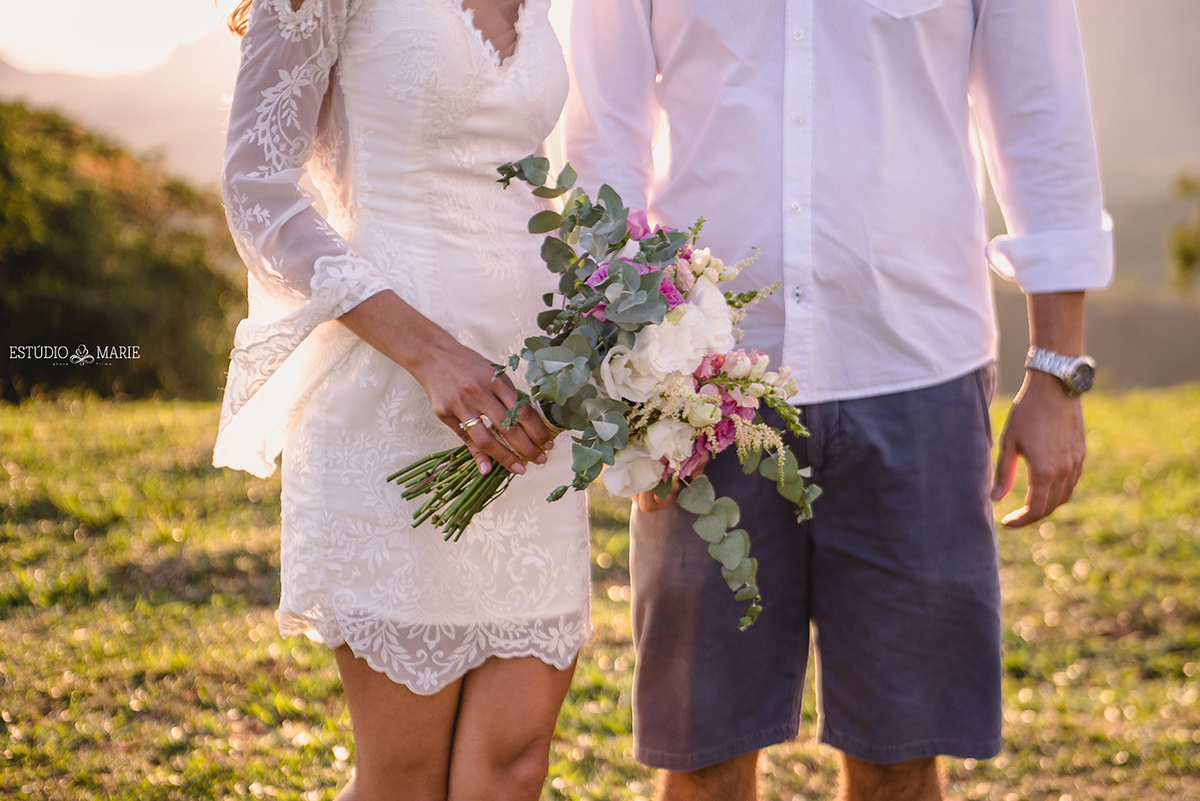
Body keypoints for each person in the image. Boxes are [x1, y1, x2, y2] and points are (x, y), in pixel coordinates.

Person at [563, 1, 1112, 799]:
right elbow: (599, 142)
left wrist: (1057, 371)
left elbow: (1043, 118)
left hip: (918, 371)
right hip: (699, 392)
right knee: (704, 754)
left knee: (902, 752)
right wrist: (625, 378)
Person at [214, 0, 590, 798]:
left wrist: (595, 348)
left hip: (532, 415)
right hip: (390, 398)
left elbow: (523, 189)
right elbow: (257, 191)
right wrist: (434, 354)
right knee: (405, 780)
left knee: (515, 765)